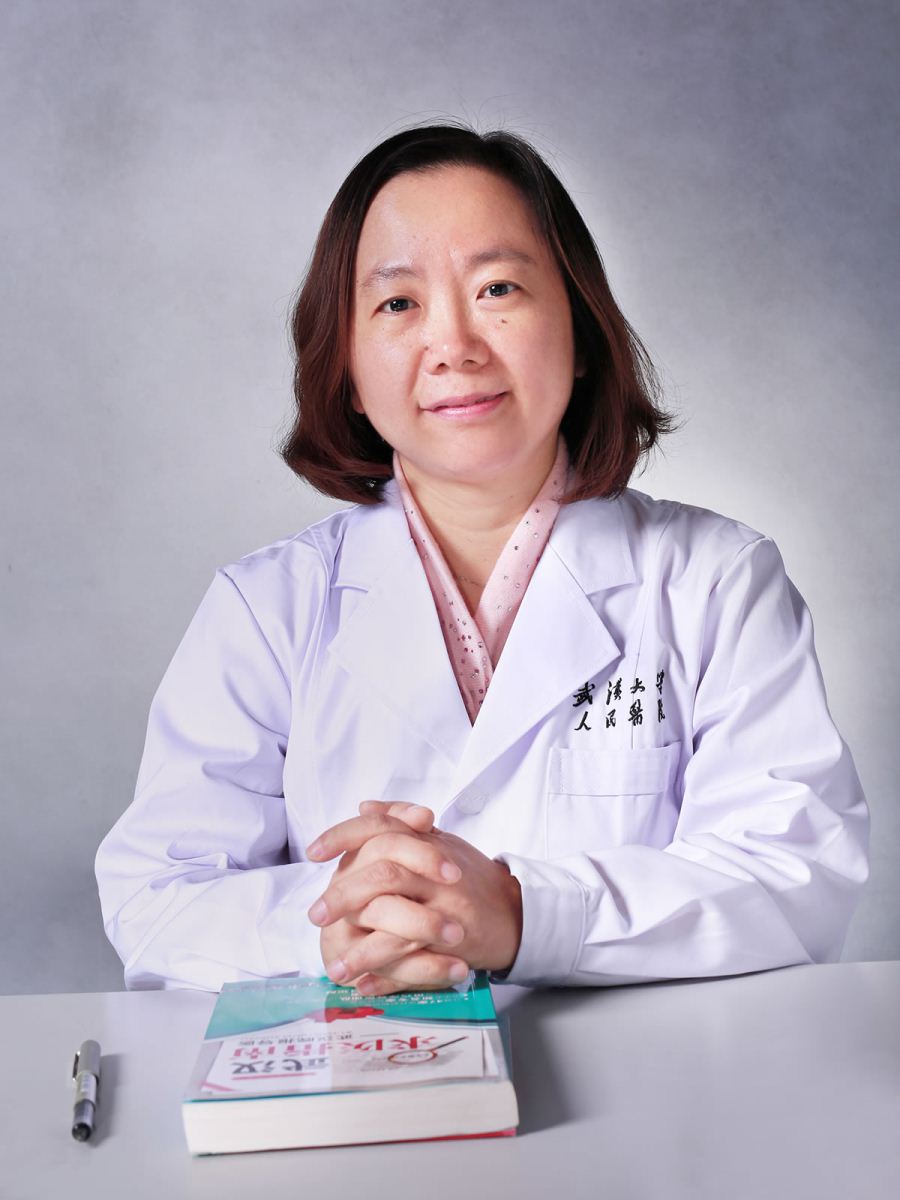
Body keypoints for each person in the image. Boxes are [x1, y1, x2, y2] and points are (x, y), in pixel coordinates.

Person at [95, 124, 869, 995]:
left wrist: (522, 912)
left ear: (581, 332)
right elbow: (156, 898)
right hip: (359, 1070)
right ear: (348, 369)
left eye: (498, 288)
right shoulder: (269, 606)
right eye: (398, 304)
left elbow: (798, 871)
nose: (454, 344)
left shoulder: (716, 579)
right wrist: (340, 921)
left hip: (656, 1074)